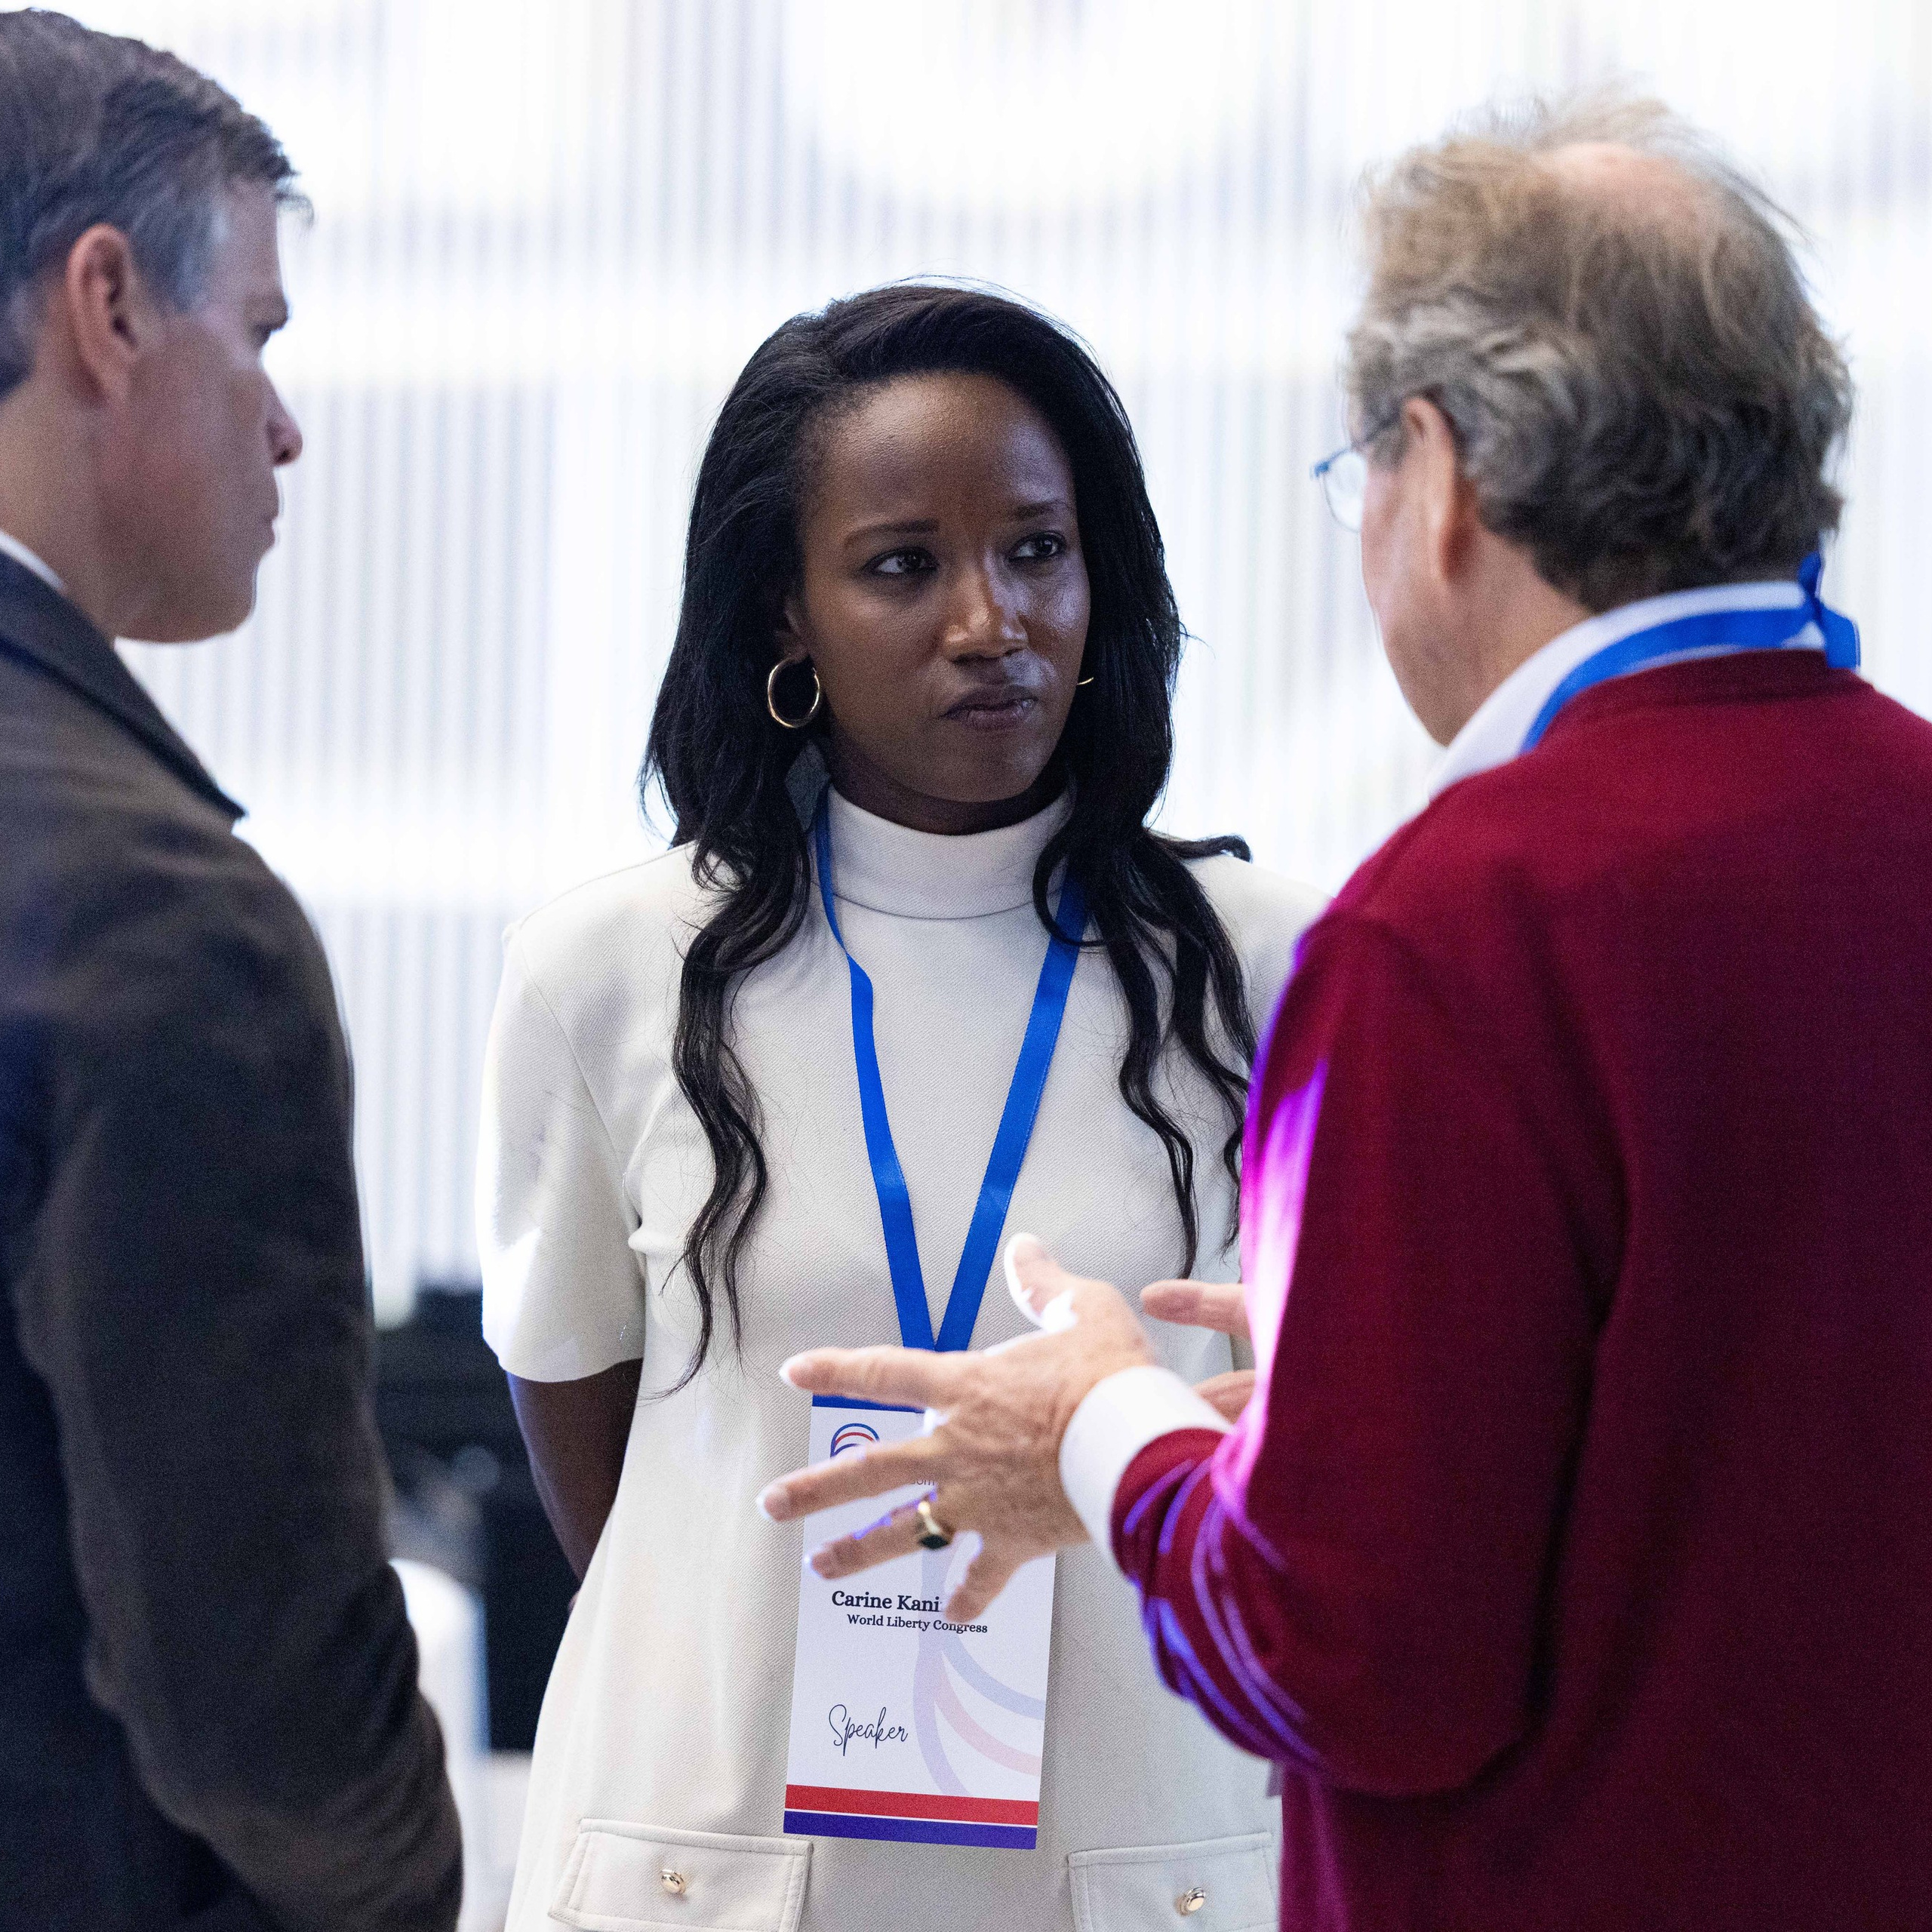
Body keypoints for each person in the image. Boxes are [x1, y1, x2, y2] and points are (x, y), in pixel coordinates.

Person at [758, 97, 1932, 1931]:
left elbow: (1349, 1663)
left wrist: (1109, 1429)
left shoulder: (1451, 927)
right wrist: (1333, 1405)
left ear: (1438, 474)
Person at [476, 284, 1324, 1929]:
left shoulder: (1272, 966)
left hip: (1139, 1849)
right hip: (699, 1843)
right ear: (783, 615)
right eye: (898, 564)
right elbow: (586, 1421)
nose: (987, 618)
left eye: (1033, 549)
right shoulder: (608, 967)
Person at [0, 16, 460, 1931]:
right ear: (106, 305)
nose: (280, 422)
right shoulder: (149, 912)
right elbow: (259, 1707)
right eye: (259, 333)